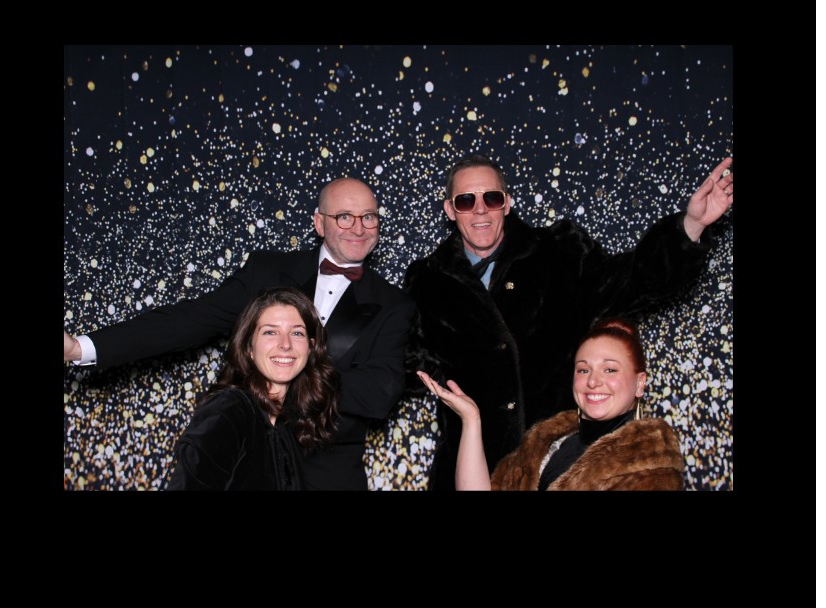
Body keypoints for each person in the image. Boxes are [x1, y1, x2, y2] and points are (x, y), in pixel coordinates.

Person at [405, 153, 731, 490]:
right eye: (465, 201)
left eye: (491, 198)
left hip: (558, 471)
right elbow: (402, 365)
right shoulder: (428, 282)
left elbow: (631, 281)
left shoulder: (559, 253)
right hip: (467, 475)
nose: (480, 210)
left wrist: (690, 227)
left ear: (507, 203)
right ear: (450, 210)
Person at [65, 177, 416, 490]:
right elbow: (191, 319)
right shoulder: (267, 271)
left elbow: (379, 392)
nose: (359, 228)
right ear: (319, 223)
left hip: (328, 472)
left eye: (369, 217)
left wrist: (289, 375)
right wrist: (81, 348)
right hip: (246, 463)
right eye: (345, 217)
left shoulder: (395, 305)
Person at [418, 317, 683, 490]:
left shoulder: (653, 468)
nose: (593, 381)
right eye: (583, 370)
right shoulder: (546, 443)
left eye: (610, 370)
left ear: (640, 383)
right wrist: (471, 419)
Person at [166, 287, 338, 490]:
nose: (285, 344)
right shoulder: (229, 410)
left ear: (311, 347)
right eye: (270, 332)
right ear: (249, 347)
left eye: (297, 333)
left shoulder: (287, 424)